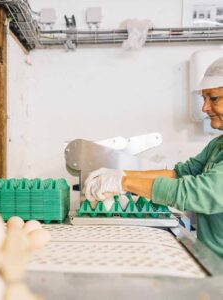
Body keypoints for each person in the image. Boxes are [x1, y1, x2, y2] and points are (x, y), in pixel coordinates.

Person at [84, 57, 223, 259]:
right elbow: (180, 174)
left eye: (214, 98)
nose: (204, 108)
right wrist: (119, 174)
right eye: (204, 99)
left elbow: (198, 193)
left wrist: (123, 182)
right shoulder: (218, 144)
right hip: (211, 259)